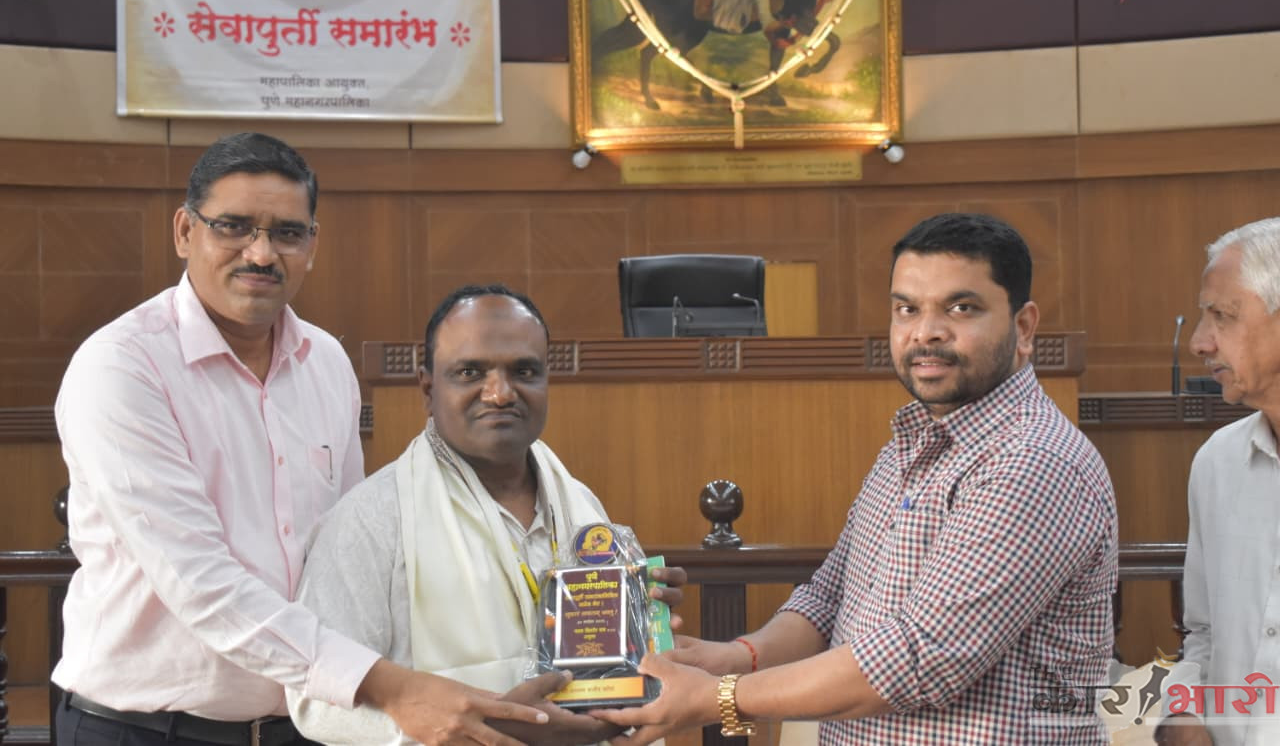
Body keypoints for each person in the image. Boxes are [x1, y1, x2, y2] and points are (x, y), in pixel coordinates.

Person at [53, 134, 549, 746]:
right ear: (185, 231)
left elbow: (355, 554)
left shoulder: (327, 364)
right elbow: (201, 584)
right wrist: (392, 687)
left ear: (312, 245)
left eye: (287, 233)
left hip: (305, 725)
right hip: (145, 729)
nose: (261, 253)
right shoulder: (122, 368)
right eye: (234, 227)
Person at [594, 212, 1119, 744]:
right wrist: (737, 657)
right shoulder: (910, 443)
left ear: (1023, 327)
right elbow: (831, 595)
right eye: (907, 309)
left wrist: (718, 697)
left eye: (961, 308)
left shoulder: (1032, 460)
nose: (926, 332)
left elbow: (919, 658)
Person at [287, 284, 685, 746]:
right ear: (428, 388)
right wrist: (477, 731)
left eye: (524, 371)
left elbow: (617, 669)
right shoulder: (371, 520)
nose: (499, 393)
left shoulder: (581, 508)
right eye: (470, 372)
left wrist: (647, 633)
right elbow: (315, 699)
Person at [1167, 217, 1280, 746]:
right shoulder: (1218, 461)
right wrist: (1184, 711)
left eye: (1222, 316)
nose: (1199, 342)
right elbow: (1204, 630)